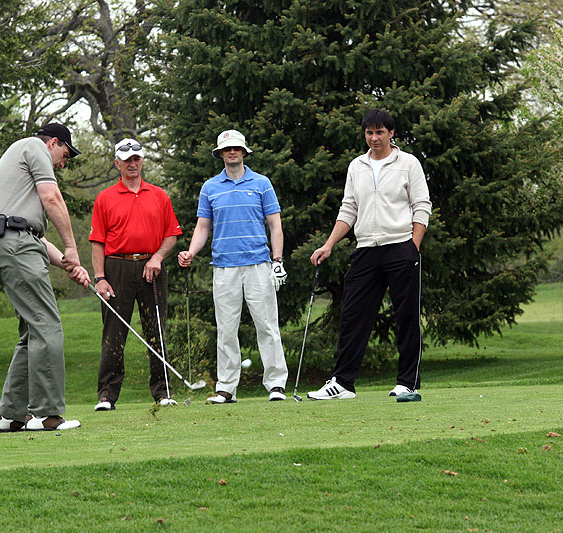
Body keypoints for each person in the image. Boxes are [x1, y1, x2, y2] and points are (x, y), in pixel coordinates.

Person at [307, 109, 432, 402]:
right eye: (369, 133)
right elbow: (349, 209)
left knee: (406, 317)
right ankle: (343, 383)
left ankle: (407, 383)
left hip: (401, 247)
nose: (374, 138)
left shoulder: (408, 163)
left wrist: (413, 246)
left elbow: (422, 206)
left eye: (379, 132)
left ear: (391, 133)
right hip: (365, 250)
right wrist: (328, 244)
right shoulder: (357, 166)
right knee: (353, 316)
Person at [0, 122, 90, 433]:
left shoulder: (18, 165)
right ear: (53, 142)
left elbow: (33, 235)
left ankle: (10, 417)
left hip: (5, 243)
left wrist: (68, 263)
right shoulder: (34, 147)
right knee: (47, 326)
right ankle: (45, 415)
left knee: (33, 330)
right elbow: (52, 198)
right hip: (15, 245)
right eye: (66, 155)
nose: (63, 164)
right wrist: (72, 247)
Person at [178, 129, 289, 403]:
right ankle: (226, 388)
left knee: (267, 326)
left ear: (243, 151)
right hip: (224, 267)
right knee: (226, 330)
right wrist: (191, 251)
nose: (232, 152)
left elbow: (275, 225)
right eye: (227, 149)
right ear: (220, 154)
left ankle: (276, 385)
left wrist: (277, 260)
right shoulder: (210, 187)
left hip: (258, 264)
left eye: (236, 148)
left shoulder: (261, 183)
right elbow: (203, 226)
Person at [89, 138, 183, 410]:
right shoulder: (105, 198)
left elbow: (171, 235)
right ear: (116, 163)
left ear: (142, 161)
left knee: (156, 330)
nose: (132, 163)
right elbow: (98, 242)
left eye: (136, 159)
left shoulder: (159, 195)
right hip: (116, 268)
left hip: (151, 268)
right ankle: (107, 395)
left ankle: (163, 391)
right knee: (114, 332)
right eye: (126, 160)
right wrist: (99, 278)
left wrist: (158, 257)